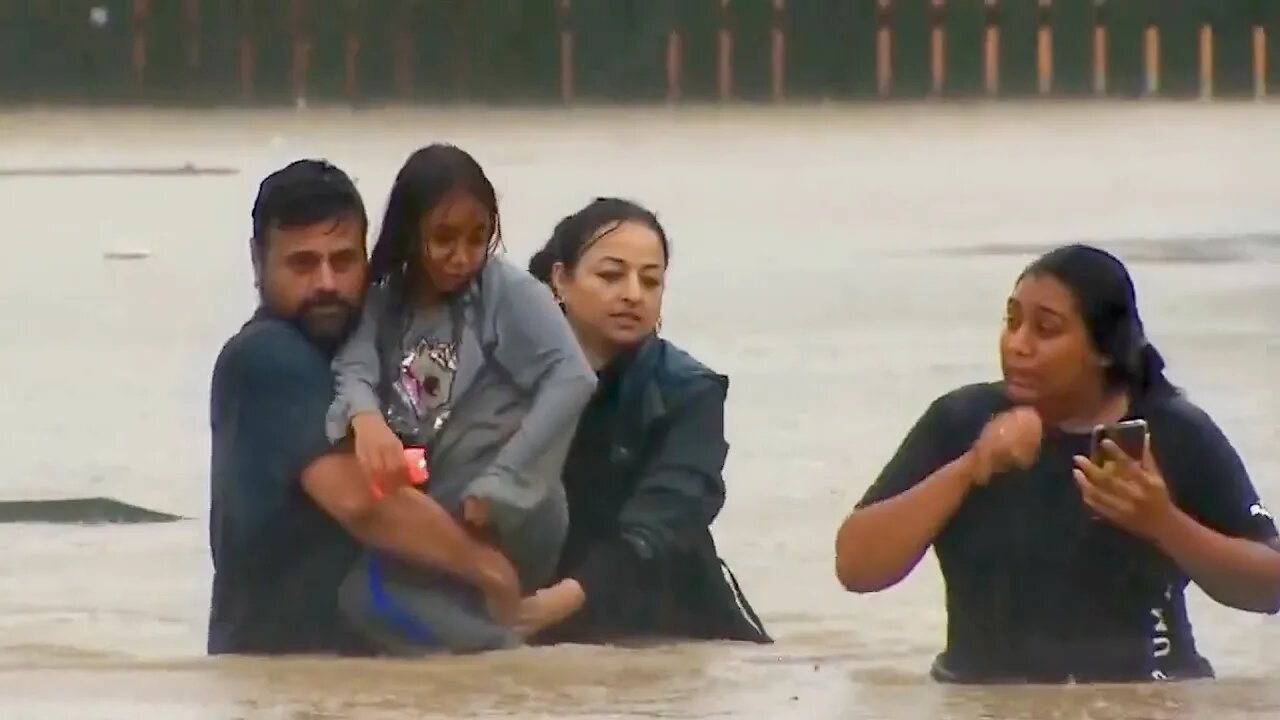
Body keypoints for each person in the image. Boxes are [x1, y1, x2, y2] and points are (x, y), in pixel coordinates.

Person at [834, 244, 1280, 684]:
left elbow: (1270, 585)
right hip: (982, 703)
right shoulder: (961, 422)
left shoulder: (1168, 432)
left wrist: (1162, 522)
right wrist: (970, 467)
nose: (1018, 345)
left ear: (1105, 349)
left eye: (1046, 330)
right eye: (1012, 322)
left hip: (1147, 698)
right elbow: (856, 568)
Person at [208, 159, 520, 656]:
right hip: (288, 671)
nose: (327, 283)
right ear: (257, 261)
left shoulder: (366, 352)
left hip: (359, 671)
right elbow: (363, 501)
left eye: (344, 260)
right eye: (303, 264)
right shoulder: (265, 356)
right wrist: (491, 571)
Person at [325, 144, 597, 655]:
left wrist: (504, 483)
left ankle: (503, 657)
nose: (462, 256)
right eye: (444, 239)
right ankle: (484, 684)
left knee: (366, 593)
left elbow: (572, 378)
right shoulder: (385, 301)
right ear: (410, 232)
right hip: (444, 497)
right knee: (392, 600)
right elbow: (354, 368)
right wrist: (366, 420)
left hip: (513, 504)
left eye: (478, 238)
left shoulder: (504, 290)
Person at [515, 197, 771, 645]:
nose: (634, 293)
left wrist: (559, 602)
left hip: (673, 623)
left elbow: (665, 519)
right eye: (611, 275)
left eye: (650, 281)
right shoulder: (507, 375)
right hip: (540, 611)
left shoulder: (689, 390)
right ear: (559, 279)